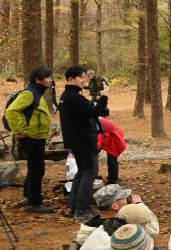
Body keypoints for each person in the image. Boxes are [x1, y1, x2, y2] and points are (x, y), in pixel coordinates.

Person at [58, 65, 111, 221]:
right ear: (70, 79)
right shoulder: (73, 97)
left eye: (84, 77)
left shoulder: (67, 96)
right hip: (84, 139)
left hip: (76, 139)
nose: (83, 80)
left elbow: (87, 111)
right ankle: (82, 208)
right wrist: (105, 98)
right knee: (90, 172)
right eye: (81, 77)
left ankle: (74, 206)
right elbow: (94, 112)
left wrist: (99, 100)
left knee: (82, 172)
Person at [6, 66, 56, 213]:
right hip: (32, 137)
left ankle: (30, 197)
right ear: (37, 80)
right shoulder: (29, 93)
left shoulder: (36, 92)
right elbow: (12, 111)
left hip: (37, 136)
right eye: (47, 78)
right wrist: (20, 130)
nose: (50, 80)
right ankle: (34, 203)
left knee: (34, 168)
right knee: (37, 169)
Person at [75, 183, 146, 245]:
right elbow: (153, 230)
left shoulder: (91, 223)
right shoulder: (117, 228)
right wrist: (139, 205)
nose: (129, 201)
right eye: (126, 199)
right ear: (115, 206)